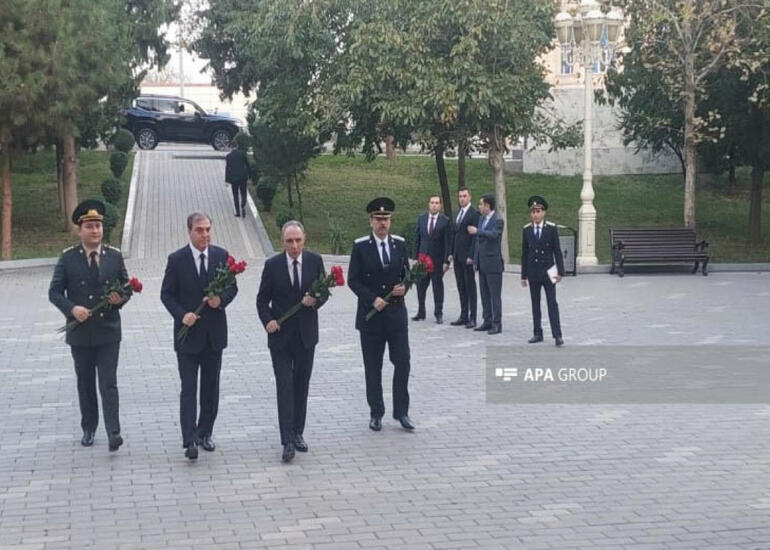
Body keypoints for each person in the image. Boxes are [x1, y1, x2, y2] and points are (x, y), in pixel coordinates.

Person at [49, 199, 130, 452]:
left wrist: (121, 299)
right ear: (80, 230)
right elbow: (54, 292)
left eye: (98, 226)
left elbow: (125, 287)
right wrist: (72, 308)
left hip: (108, 332)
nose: (95, 231)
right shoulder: (68, 258)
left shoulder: (114, 257)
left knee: (108, 382)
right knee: (85, 383)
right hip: (81, 333)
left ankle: (113, 432)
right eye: (90, 227)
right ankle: (89, 427)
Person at [160, 213, 239, 460]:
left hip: (213, 335)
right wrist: (182, 315)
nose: (204, 234)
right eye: (199, 230)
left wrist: (220, 300)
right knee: (188, 388)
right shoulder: (177, 260)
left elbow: (232, 287)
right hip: (187, 337)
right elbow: (167, 294)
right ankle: (189, 438)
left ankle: (205, 433)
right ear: (189, 232)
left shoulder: (221, 256)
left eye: (207, 230)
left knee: (210, 388)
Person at [257, 221, 327, 463]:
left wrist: (315, 300)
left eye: (298, 240)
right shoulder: (272, 266)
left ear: (304, 239)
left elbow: (324, 291)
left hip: (306, 336)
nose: (294, 245)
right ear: (282, 242)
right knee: (285, 387)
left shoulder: (315, 261)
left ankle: (298, 432)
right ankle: (286, 440)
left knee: (301, 385)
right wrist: (268, 321)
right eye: (289, 241)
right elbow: (261, 300)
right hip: (281, 338)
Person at [348, 197, 415, 431]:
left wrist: (405, 287)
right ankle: (376, 412)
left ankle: (402, 412)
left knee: (403, 362)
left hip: (396, 317)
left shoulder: (399, 244)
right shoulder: (360, 247)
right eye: (378, 219)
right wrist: (371, 299)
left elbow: (408, 275)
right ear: (371, 222)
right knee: (373, 367)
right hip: (372, 319)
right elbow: (353, 280)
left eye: (386, 219)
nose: (382, 223)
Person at [521, 195, 565, 347]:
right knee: (535, 304)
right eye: (533, 212)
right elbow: (524, 253)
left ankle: (557, 334)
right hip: (533, 271)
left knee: (552, 303)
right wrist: (523, 275)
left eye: (538, 211)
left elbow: (557, 251)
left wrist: (560, 271)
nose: (535, 214)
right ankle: (537, 333)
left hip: (550, 271)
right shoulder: (527, 230)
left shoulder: (551, 229)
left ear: (544, 213)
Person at [413, 195, 452, 324]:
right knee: (420, 286)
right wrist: (414, 257)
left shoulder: (445, 221)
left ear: (440, 205)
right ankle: (421, 311)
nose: (434, 205)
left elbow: (448, 242)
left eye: (436, 203)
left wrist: (447, 261)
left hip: (437, 260)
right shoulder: (421, 219)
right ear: (428, 204)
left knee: (437, 287)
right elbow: (417, 239)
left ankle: (438, 313)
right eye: (432, 203)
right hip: (422, 259)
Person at [468, 194, 504, 335]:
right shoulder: (481, 219)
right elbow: (478, 242)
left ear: (488, 206)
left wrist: (478, 231)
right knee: (484, 294)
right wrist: (475, 259)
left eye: (481, 204)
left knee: (494, 295)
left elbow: (494, 235)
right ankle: (487, 320)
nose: (479, 207)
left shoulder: (498, 220)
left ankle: (497, 323)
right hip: (482, 263)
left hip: (493, 264)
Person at [450, 187, 480, 329]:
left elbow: (474, 237)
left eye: (464, 196)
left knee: (470, 287)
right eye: (460, 196)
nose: (462, 198)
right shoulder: (457, 213)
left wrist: (471, 255)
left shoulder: (474, 213)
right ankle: (463, 315)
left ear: (469, 197)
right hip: (457, 255)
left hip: (467, 256)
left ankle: (473, 317)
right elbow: (454, 234)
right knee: (461, 286)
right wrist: (451, 253)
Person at [224, 133, 256, 218]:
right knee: (243, 192)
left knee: (235, 195)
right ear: (237, 146)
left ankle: (238, 212)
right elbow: (247, 165)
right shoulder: (242, 154)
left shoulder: (228, 156)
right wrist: (250, 176)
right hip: (243, 177)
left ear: (231, 147)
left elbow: (227, 169)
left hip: (234, 178)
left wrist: (227, 180)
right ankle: (243, 205)